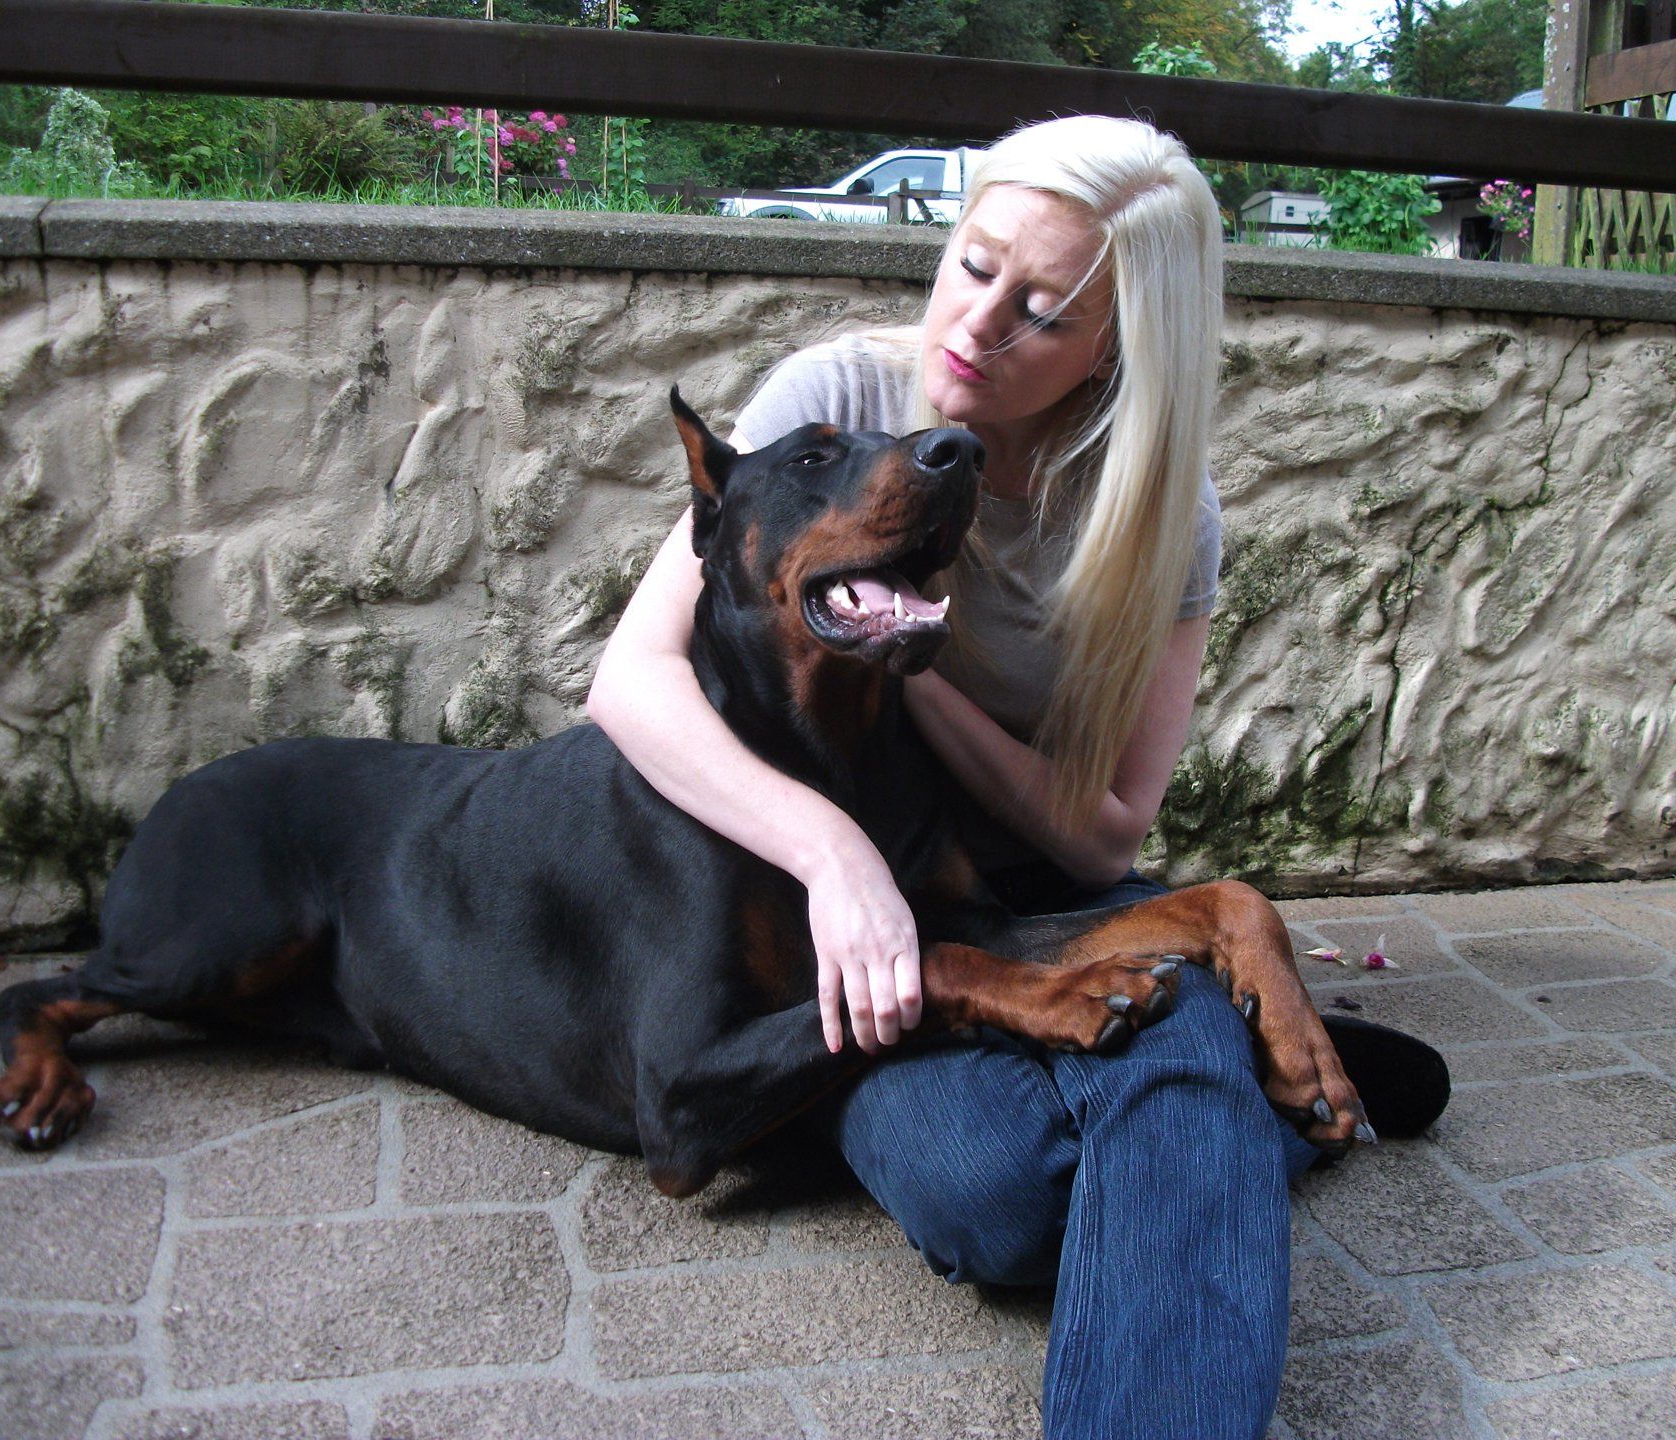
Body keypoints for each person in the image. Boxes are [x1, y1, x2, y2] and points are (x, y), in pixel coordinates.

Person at [589, 114, 1445, 1440]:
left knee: (1158, 1080)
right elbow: (630, 681)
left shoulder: (1159, 508)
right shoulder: (839, 401)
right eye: (974, 264)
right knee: (993, 1193)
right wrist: (835, 858)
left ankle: (1202, 1076)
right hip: (869, 921)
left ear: (1118, 346)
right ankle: (1237, 1084)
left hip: (1042, 892)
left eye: (1042, 311)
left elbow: (1105, 840)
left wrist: (910, 661)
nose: (978, 325)